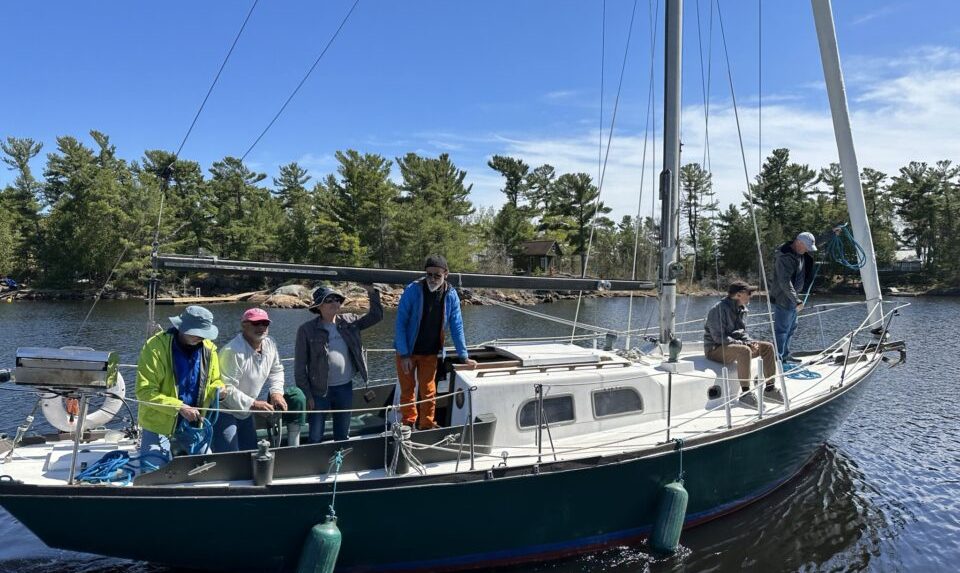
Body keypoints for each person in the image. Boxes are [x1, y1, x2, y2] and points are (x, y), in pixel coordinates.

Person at [395, 254, 478, 430]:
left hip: (430, 352)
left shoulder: (451, 295)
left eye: (437, 275)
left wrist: (464, 356)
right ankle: (408, 423)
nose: (432, 279)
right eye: (429, 274)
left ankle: (426, 424)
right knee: (407, 389)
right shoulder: (413, 290)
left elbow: (457, 326)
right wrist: (404, 354)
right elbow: (400, 323)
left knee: (428, 391)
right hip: (407, 351)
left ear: (446, 274)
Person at [135, 305, 225, 463]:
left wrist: (219, 389)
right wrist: (179, 407)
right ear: (182, 328)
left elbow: (215, 380)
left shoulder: (209, 349)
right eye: (197, 333)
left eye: (204, 334)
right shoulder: (154, 347)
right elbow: (144, 391)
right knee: (153, 468)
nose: (202, 337)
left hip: (193, 424)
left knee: (207, 464)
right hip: (157, 425)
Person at [295, 284, 382, 443]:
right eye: (329, 300)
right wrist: (307, 395)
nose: (335, 302)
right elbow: (299, 367)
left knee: (342, 434)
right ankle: (314, 458)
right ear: (319, 306)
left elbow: (376, 315)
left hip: (345, 388)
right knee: (315, 435)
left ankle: (340, 456)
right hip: (318, 392)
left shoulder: (350, 321)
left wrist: (372, 292)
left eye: (337, 299)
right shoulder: (306, 330)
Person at [213, 308, 307, 452]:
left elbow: (276, 370)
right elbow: (226, 389)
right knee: (230, 455)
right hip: (225, 411)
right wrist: (254, 404)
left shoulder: (270, 343)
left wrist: (276, 393)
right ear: (244, 325)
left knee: (250, 452)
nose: (261, 327)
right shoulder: (232, 351)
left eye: (265, 323)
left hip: (246, 410)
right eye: (256, 323)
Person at [704, 280, 783, 408]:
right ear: (739, 295)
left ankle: (770, 389)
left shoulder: (741, 309)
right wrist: (744, 344)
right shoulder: (717, 309)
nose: (751, 296)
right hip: (715, 349)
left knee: (768, 347)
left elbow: (741, 333)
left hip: (733, 346)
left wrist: (750, 342)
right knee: (744, 350)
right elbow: (718, 337)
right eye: (749, 293)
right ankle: (746, 394)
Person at [769, 231, 818, 363]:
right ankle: (778, 358)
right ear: (798, 242)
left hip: (792, 298)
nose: (807, 250)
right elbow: (784, 282)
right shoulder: (785, 257)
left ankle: (785, 355)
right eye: (806, 247)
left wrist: (832, 233)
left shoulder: (799, 251)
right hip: (785, 298)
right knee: (782, 330)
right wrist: (796, 300)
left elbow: (817, 241)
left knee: (791, 328)